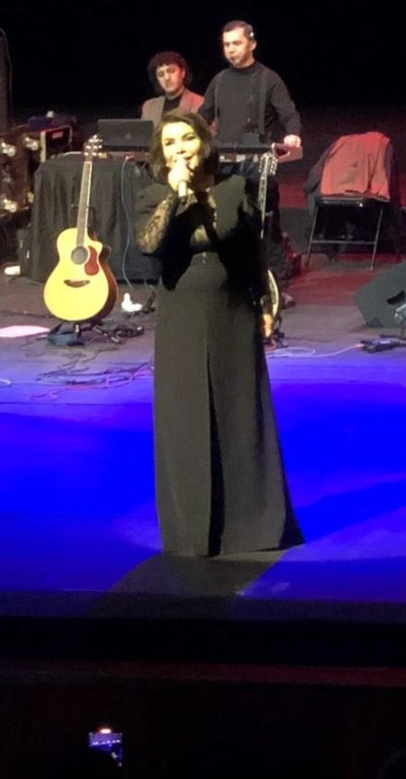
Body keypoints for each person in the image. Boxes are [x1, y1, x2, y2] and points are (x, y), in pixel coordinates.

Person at [134, 110, 303, 556]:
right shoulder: (153, 194)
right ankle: (193, 531)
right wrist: (176, 196)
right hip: (182, 313)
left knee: (239, 412)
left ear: (203, 142)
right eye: (169, 143)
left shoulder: (233, 188)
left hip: (231, 308)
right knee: (186, 416)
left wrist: (265, 303)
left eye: (186, 139)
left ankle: (253, 526)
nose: (179, 150)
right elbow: (149, 245)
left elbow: (253, 251)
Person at [197, 20, 302, 295]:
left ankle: (273, 285)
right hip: (224, 164)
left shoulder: (268, 79)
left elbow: (288, 113)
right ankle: (229, 277)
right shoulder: (219, 81)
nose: (231, 49)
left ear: (252, 44)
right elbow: (202, 117)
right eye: (226, 45)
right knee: (223, 220)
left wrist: (293, 134)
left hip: (257, 164)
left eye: (237, 43)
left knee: (264, 223)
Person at [140, 50, 204, 123]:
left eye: (171, 71)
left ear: (183, 73)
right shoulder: (149, 107)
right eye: (161, 74)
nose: (167, 78)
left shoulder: (200, 103)